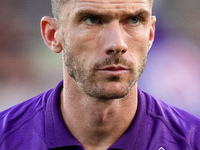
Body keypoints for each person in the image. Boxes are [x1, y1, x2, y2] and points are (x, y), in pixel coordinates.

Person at [0, 0, 200, 149]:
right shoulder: (7, 138)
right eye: (92, 20)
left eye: (133, 20)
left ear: (150, 34)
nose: (117, 44)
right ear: (53, 35)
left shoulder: (192, 140)